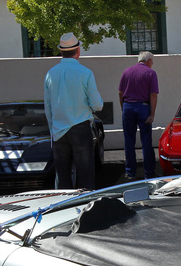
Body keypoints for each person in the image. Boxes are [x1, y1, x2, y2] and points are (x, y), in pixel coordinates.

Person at [43, 32, 103, 190]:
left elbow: (48, 108)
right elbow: (97, 105)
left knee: (62, 177)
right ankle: (86, 209)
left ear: (61, 51)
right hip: (80, 127)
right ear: (78, 50)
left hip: (58, 130)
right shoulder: (85, 73)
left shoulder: (50, 74)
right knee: (86, 177)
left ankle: (65, 210)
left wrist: (53, 131)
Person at [117, 51, 159, 180]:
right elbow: (153, 95)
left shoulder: (127, 71)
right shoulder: (150, 73)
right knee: (146, 141)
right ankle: (148, 172)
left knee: (129, 141)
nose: (152, 64)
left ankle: (130, 172)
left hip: (128, 106)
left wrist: (123, 107)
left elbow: (120, 92)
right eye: (152, 62)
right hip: (143, 107)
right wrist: (152, 114)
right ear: (148, 61)